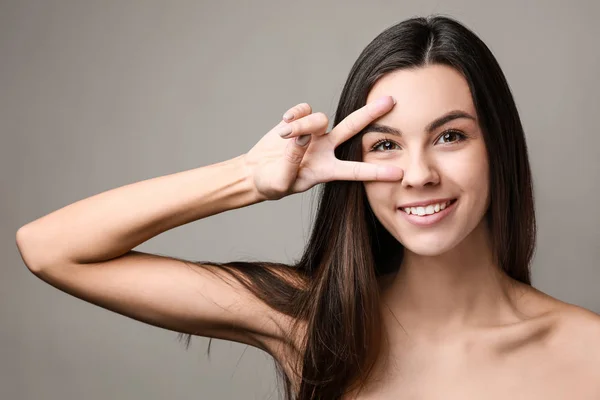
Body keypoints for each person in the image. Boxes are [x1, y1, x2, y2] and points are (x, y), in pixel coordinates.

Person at [15, 14, 600, 400]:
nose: (419, 175)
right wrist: (249, 177)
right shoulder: (311, 321)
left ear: (498, 148)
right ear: (355, 165)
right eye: (386, 144)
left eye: (450, 136)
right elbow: (50, 250)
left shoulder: (587, 352)